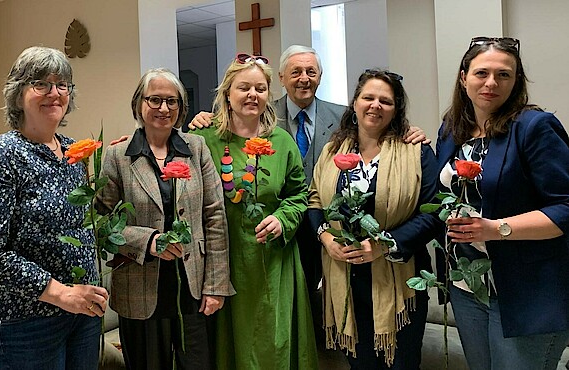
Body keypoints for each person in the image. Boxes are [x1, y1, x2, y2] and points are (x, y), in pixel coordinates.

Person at [188, 45, 429, 345]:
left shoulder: (343, 117)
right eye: (296, 72)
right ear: (281, 78)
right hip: (271, 243)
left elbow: (379, 133)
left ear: (320, 76)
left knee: (304, 321)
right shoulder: (262, 115)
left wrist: (410, 131)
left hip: (328, 241)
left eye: (311, 72)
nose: (304, 78)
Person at [0, 46, 109, 369]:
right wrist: (60, 293)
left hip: (80, 317)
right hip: (24, 327)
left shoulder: (74, 153)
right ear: (18, 94)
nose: (54, 93)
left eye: (62, 85)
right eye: (40, 84)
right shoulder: (2, 156)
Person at [437, 36, 569, 370]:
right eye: (482, 73)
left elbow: (565, 207)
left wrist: (497, 229)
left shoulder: (534, 128)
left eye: (504, 74)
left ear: (516, 81)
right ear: (464, 77)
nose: (491, 83)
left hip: (526, 291)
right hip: (467, 285)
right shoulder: (452, 130)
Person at [96, 68, 234, 370]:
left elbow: (214, 217)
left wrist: (215, 285)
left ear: (181, 108)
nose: (163, 108)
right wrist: (147, 242)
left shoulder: (196, 149)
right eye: (155, 100)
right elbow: (100, 221)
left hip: (193, 287)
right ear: (139, 105)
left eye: (172, 101)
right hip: (139, 290)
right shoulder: (118, 155)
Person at [189, 54, 318, 369]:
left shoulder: (282, 141)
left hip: (274, 262)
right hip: (223, 262)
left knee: (274, 343)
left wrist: (283, 218)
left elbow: (299, 193)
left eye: (260, 89)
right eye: (244, 87)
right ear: (227, 94)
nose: (252, 95)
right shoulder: (202, 140)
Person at [308, 69, 440, 369]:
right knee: (360, 363)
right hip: (345, 279)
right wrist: (326, 238)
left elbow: (433, 213)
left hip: (399, 280)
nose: (375, 105)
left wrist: (385, 246)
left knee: (402, 363)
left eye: (386, 101)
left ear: (396, 110)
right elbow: (314, 201)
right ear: (355, 103)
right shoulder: (332, 151)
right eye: (368, 97)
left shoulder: (416, 151)